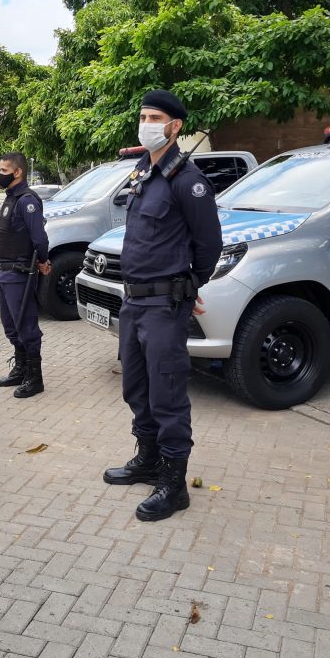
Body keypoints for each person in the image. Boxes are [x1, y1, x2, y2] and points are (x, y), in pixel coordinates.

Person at [102, 90, 222, 522]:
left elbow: (209, 245)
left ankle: (173, 485)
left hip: (165, 307)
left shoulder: (186, 180)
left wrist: (189, 289)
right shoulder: (143, 173)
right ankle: (148, 459)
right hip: (133, 303)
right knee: (136, 387)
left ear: (175, 127)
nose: (147, 122)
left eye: (155, 117)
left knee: (167, 394)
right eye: (143, 115)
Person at [0, 152, 50, 398]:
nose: (0, 175)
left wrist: (44, 261)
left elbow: (39, 237)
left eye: (4, 171)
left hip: (20, 272)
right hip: (5, 273)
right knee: (10, 325)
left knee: (26, 326)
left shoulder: (27, 200)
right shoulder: (11, 198)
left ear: (18, 172)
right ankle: (21, 368)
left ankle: (34, 378)